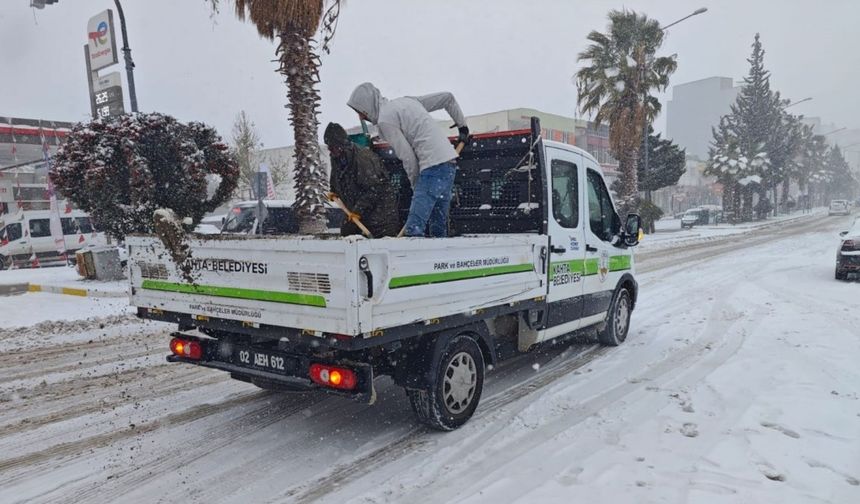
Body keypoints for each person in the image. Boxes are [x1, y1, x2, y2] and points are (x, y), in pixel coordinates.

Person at [346, 82, 469, 237]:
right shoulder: (407, 102)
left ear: (367, 106)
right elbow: (447, 98)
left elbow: (408, 157)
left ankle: (415, 260)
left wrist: (416, 186)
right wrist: (463, 127)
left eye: (360, 111)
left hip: (432, 167)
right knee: (438, 227)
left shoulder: (385, 120)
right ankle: (436, 260)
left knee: (414, 229)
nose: (361, 117)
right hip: (449, 164)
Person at [323, 122, 400, 238]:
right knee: (347, 234)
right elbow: (336, 177)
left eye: (332, 147)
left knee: (377, 247)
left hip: (380, 217)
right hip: (359, 214)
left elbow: (374, 189)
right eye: (328, 146)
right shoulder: (337, 157)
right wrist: (334, 190)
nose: (330, 150)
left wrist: (357, 211)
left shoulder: (363, 158)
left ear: (341, 145)